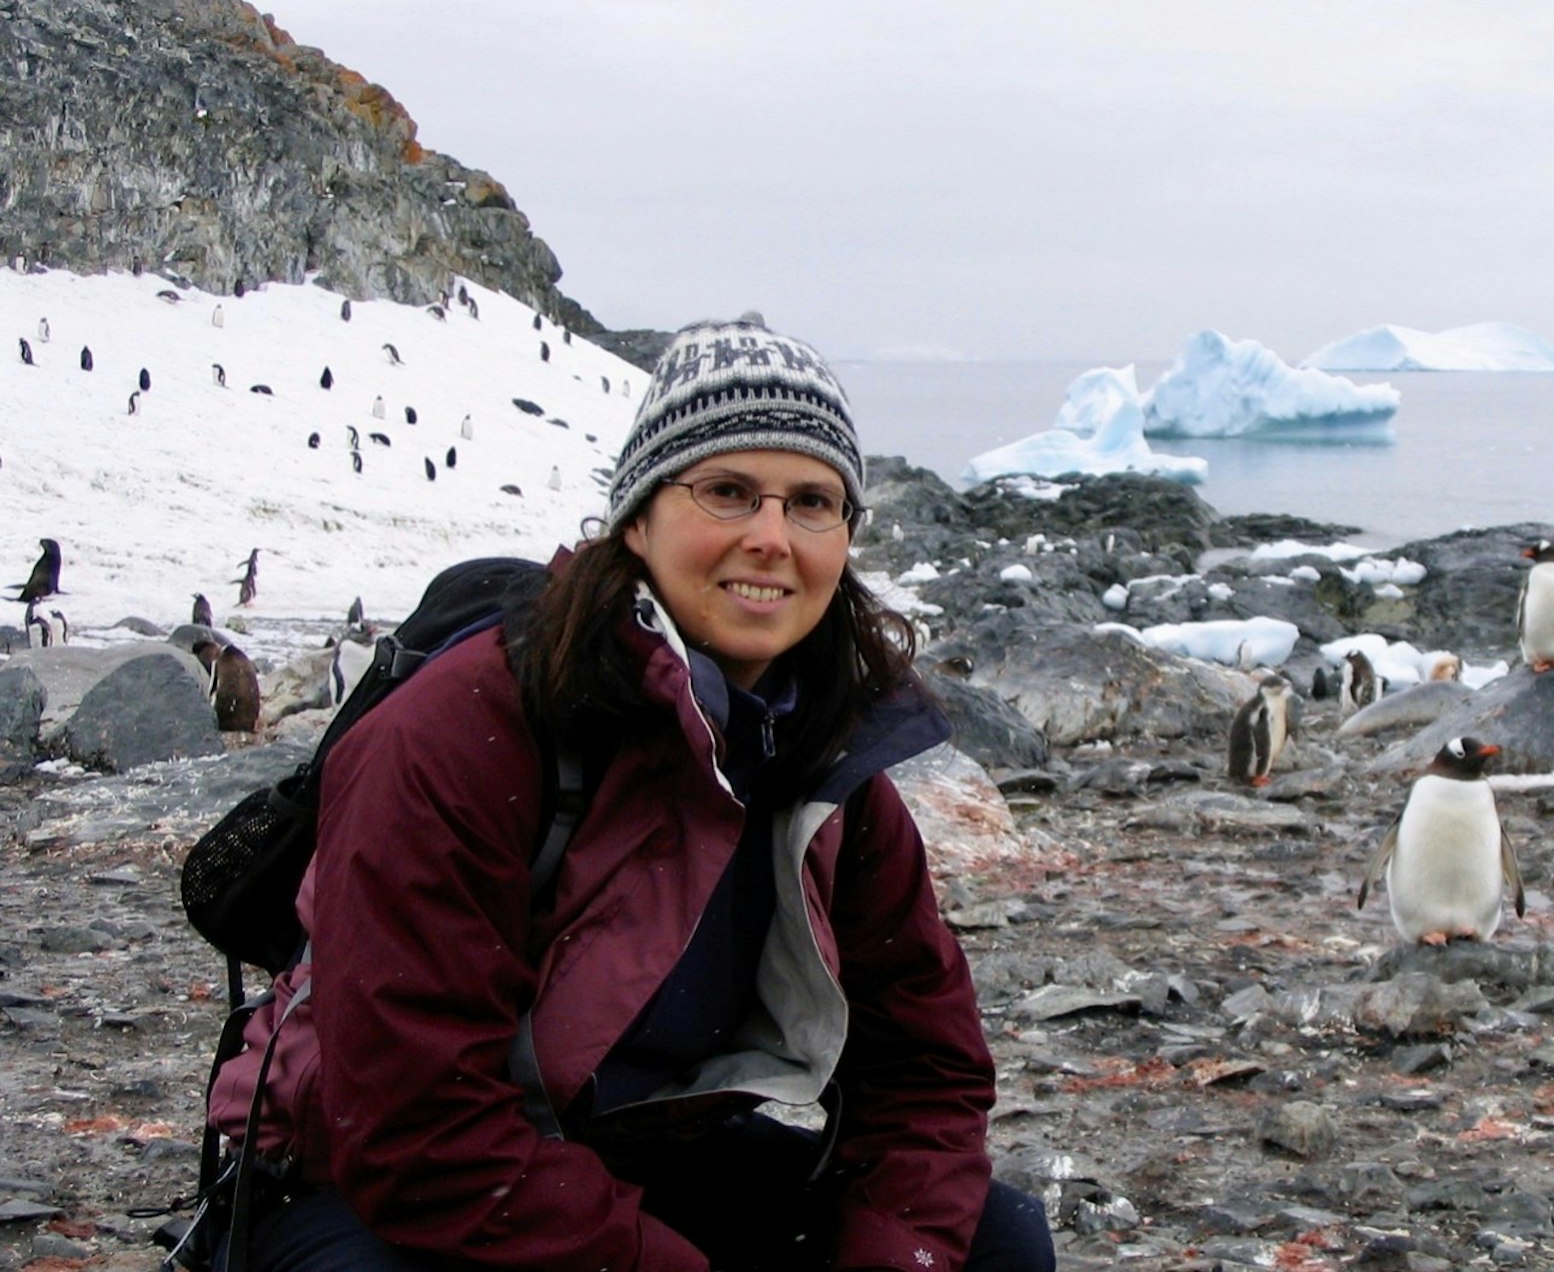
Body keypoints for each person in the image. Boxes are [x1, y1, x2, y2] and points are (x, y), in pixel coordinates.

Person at [206, 317, 1055, 1271]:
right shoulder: (461, 734)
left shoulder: (825, 760)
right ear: (639, 520)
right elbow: (418, 1127)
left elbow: (924, 1072)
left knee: (994, 1244)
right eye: (727, 492)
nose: (771, 538)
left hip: (655, 1158)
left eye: (813, 502)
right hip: (389, 1190)